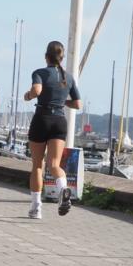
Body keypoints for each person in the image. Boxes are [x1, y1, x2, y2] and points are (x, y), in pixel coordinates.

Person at [24, 41, 82, 219]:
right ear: (61, 58)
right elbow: (77, 104)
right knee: (55, 164)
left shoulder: (40, 73)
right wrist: (62, 101)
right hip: (59, 121)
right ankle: (63, 188)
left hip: (42, 119)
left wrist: (28, 96)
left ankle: (36, 208)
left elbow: (37, 90)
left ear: (46, 57)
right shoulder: (69, 78)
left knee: (37, 165)